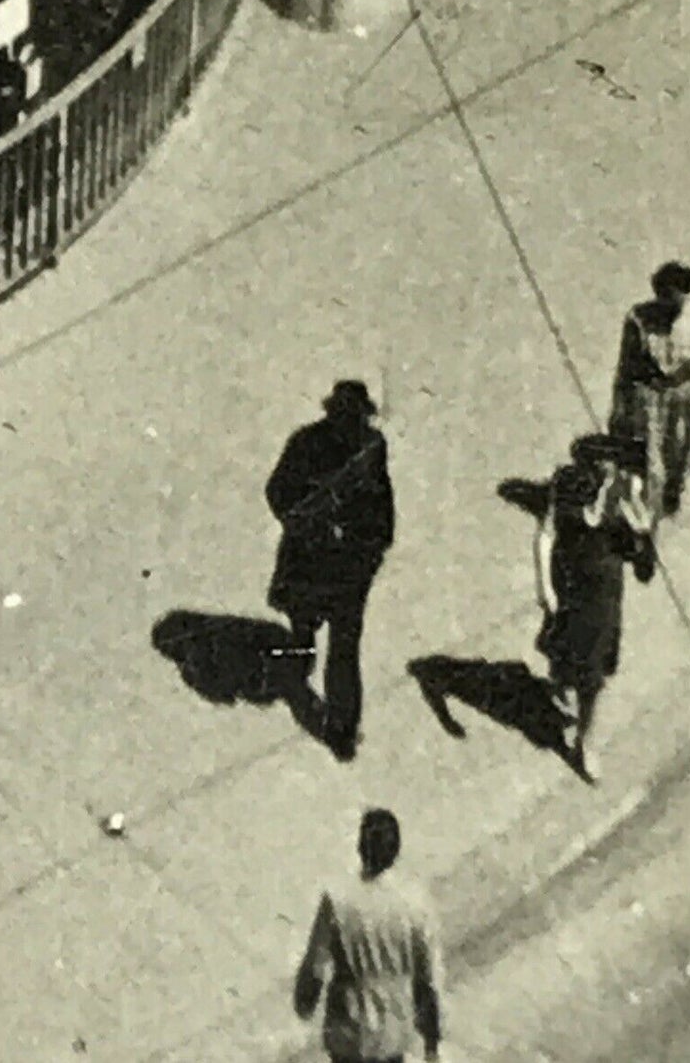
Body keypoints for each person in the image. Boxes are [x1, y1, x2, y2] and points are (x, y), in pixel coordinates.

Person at [266, 381, 395, 760]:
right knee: (307, 626)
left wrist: (372, 544)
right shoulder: (307, 444)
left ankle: (342, 727)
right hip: (310, 555)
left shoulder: (371, 447)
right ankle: (301, 665)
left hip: (349, 563)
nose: (353, 422)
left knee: (343, 645)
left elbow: (381, 501)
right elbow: (277, 492)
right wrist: (308, 520)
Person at [534, 434, 653, 782]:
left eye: (608, 465)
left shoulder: (626, 489)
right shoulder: (567, 484)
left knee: (594, 678)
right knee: (564, 652)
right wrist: (544, 587)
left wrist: (642, 530)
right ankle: (561, 680)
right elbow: (546, 535)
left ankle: (585, 742)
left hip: (603, 597)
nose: (602, 472)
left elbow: (643, 563)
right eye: (596, 465)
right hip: (567, 585)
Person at [294, 809, 443, 1063]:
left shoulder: (338, 900)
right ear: (396, 850)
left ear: (360, 846)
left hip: (348, 1035)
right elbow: (426, 979)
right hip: (392, 1036)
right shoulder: (414, 905)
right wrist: (431, 1041)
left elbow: (315, 968)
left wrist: (305, 1002)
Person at [609, 261, 690, 529]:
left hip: (684, 392)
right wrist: (619, 409)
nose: (673, 303)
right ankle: (650, 522)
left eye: (679, 296)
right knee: (654, 463)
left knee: (680, 450)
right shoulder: (638, 319)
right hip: (652, 394)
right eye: (667, 296)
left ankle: (675, 487)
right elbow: (626, 367)